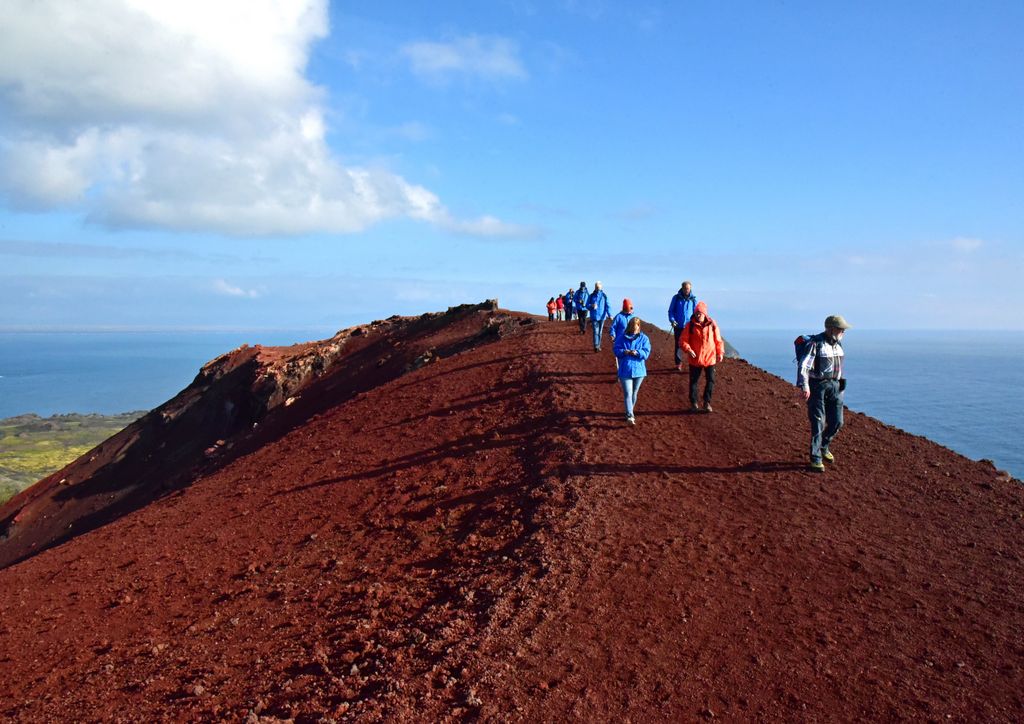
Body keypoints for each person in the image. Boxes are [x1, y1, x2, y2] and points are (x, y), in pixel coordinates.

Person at [797, 314, 851, 473]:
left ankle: (823, 446)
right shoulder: (815, 344)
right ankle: (815, 458)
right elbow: (804, 366)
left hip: (835, 385)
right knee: (818, 422)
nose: (843, 332)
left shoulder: (838, 344)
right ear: (831, 329)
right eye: (841, 329)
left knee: (837, 421)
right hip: (817, 386)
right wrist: (805, 386)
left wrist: (840, 385)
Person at [679, 301, 724, 413]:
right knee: (694, 382)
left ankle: (706, 402)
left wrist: (720, 353)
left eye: (700, 313)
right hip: (696, 358)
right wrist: (688, 349)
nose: (698, 315)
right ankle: (694, 403)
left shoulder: (712, 325)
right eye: (696, 313)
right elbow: (683, 340)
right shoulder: (690, 325)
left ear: (705, 314)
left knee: (711, 380)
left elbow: (718, 340)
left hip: (710, 357)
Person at [613, 316, 651, 425]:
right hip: (625, 369)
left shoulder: (644, 339)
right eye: (633, 327)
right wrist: (624, 352)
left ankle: (629, 411)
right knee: (628, 392)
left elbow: (646, 353)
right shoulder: (621, 337)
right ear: (630, 326)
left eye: (637, 326)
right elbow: (616, 350)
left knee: (634, 392)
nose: (635, 329)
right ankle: (630, 414)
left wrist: (637, 353)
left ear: (639, 327)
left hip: (639, 371)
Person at [667, 281, 698, 370]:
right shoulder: (676, 298)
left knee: (692, 345)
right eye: (685, 288)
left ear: (690, 288)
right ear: (682, 288)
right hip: (678, 326)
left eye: (688, 288)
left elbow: (696, 313)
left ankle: (693, 363)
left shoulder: (693, 299)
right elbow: (671, 311)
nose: (686, 290)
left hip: (690, 326)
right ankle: (678, 364)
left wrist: (696, 323)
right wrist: (672, 320)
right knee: (678, 345)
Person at [587, 281, 611, 352]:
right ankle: (596, 346)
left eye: (599, 287)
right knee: (595, 331)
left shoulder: (604, 296)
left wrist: (610, 314)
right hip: (594, 317)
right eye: (597, 287)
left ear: (601, 287)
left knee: (600, 332)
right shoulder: (591, 296)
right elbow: (587, 305)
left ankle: (598, 345)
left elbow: (607, 306)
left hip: (602, 317)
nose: (598, 288)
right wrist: (591, 305)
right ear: (595, 287)